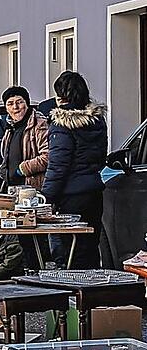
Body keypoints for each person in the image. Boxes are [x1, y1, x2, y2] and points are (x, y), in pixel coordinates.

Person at [42, 71, 107, 269]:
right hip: (94, 191)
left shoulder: (61, 125)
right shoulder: (97, 121)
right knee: (90, 246)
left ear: (61, 96)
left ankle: (79, 296)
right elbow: (101, 156)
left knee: (73, 250)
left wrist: (46, 197)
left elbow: (58, 166)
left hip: (71, 196)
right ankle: (95, 296)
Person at [0, 86, 50, 280]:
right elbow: (7, 156)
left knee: (31, 236)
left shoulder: (38, 124)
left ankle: (35, 274)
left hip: (32, 190)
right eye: (10, 104)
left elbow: (47, 156)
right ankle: (22, 274)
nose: (15, 107)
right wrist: (4, 169)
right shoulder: (11, 127)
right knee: (16, 235)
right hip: (13, 189)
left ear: (27, 103)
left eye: (19, 102)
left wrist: (22, 168)